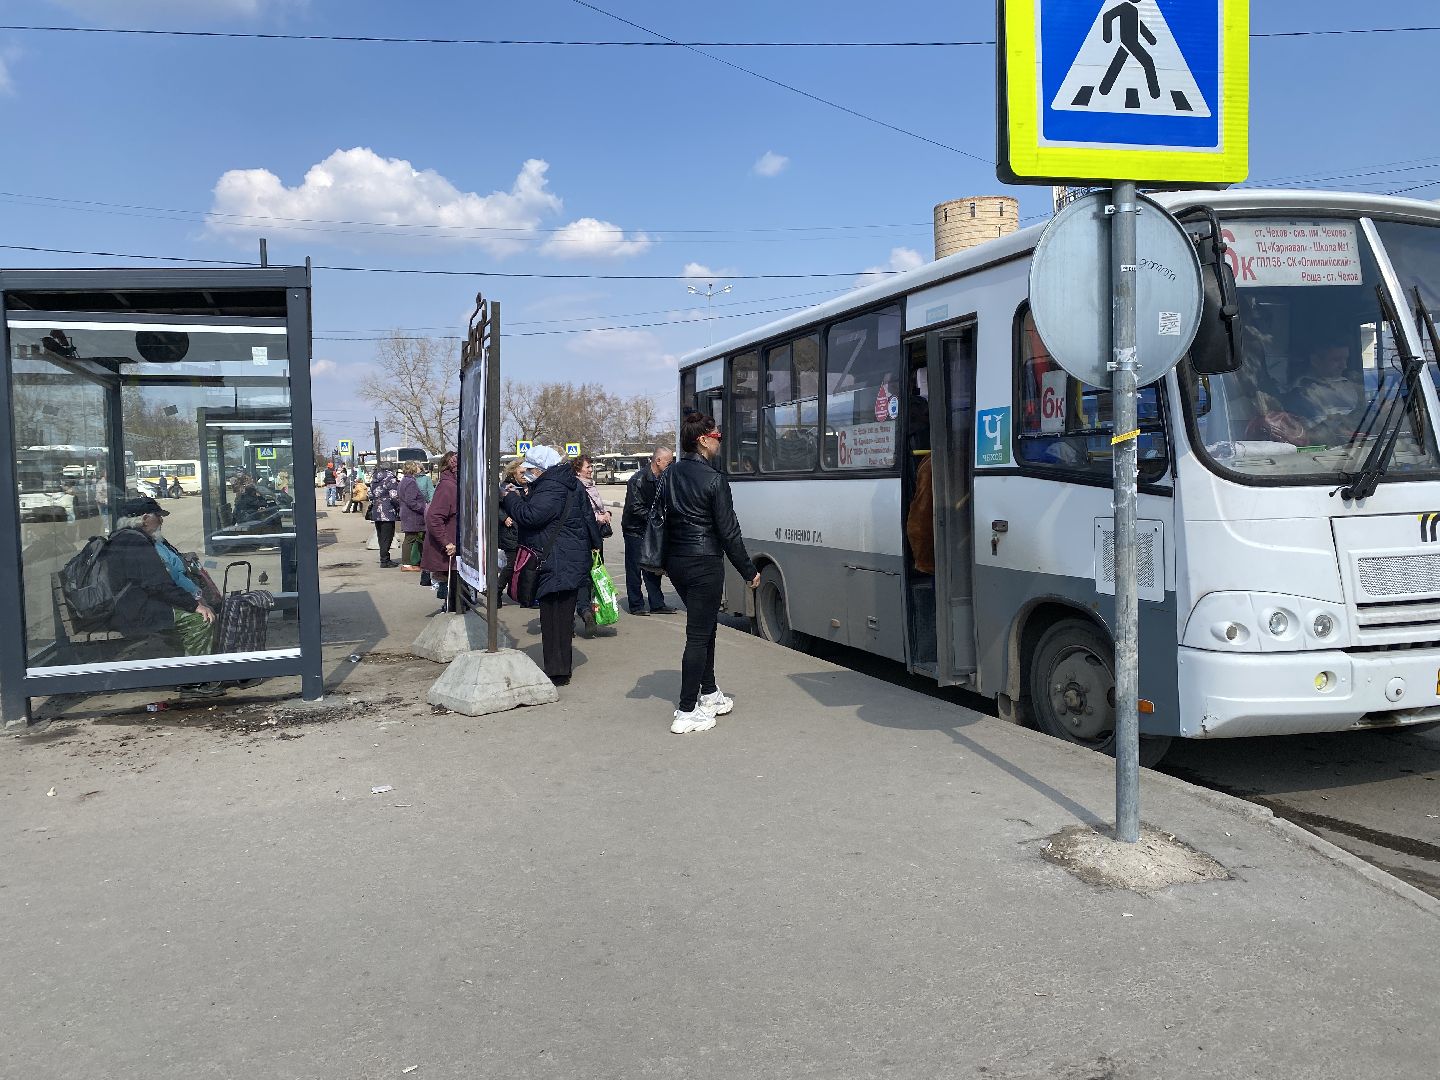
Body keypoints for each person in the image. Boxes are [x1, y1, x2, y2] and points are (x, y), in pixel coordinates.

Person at [662, 412, 760, 734]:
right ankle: (686, 710)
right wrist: (748, 570)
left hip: (676, 562)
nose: (720, 441)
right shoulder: (714, 480)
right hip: (704, 563)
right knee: (698, 636)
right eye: (716, 436)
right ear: (703, 440)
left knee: (705, 630)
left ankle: (710, 692)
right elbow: (729, 531)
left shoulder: (670, 473)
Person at [501, 445, 600, 687]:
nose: (526, 472)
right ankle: (559, 667)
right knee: (561, 615)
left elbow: (530, 516)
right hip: (567, 557)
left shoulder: (552, 486)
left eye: (530, 468)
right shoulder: (568, 483)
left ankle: (557, 671)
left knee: (553, 616)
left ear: (541, 468)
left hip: (555, 559)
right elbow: (587, 518)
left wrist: (510, 497)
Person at [103, 497, 220, 692]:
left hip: (134, 605)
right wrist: (194, 605)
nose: (161, 521)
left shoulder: (126, 537)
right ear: (145, 518)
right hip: (135, 611)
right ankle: (194, 683)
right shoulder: (136, 542)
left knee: (194, 613)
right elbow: (157, 584)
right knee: (199, 620)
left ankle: (191, 669)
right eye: (158, 516)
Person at [621, 445, 676, 615]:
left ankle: (657, 604)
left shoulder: (664, 479)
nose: (671, 465)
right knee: (635, 568)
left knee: (653, 565)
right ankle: (636, 605)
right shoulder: (638, 480)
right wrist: (657, 519)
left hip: (652, 529)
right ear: (658, 461)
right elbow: (635, 508)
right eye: (669, 462)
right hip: (635, 529)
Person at [572, 453, 614, 637]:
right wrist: (599, 517)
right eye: (587, 467)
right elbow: (583, 513)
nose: (591, 470)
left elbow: (596, 508)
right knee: (586, 575)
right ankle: (585, 610)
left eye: (591, 467)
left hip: (596, 536)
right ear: (577, 469)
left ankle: (590, 610)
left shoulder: (591, 486)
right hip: (585, 538)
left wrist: (606, 515)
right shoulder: (577, 487)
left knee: (595, 574)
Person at [421, 451, 459, 603]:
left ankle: (449, 607)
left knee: (456, 594)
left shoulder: (452, 484)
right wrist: (446, 542)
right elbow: (434, 517)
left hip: (452, 547)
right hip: (448, 548)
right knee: (454, 596)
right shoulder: (448, 486)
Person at [496, 457, 526, 601]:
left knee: (523, 564)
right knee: (511, 563)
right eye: (522, 472)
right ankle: (497, 590)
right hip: (510, 531)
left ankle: (519, 592)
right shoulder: (505, 486)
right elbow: (494, 505)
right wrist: (504, 517)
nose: (524, 475)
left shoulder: (528, 486)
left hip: (524, 530)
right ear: (513, 471)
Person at [369, 461, 402, 567]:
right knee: (388, 536)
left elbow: (370, 494)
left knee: (380, 536)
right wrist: (399, 506)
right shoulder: (390, 478)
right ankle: (385, 560)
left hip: (376, 510)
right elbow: (394, 495)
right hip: (388, 511)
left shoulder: (374, 477)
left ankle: (383, 558)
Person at [397, 461, 428, 573]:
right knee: (411, 538)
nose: (419, 468)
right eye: (417, 467)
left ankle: (414, 562)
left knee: (413, 538)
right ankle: (407, 564)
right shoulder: (410, 482)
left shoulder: (403, 481)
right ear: (413, 469)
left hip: (408, 514)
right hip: (413, 515)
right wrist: (423, 509)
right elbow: (411, 501)